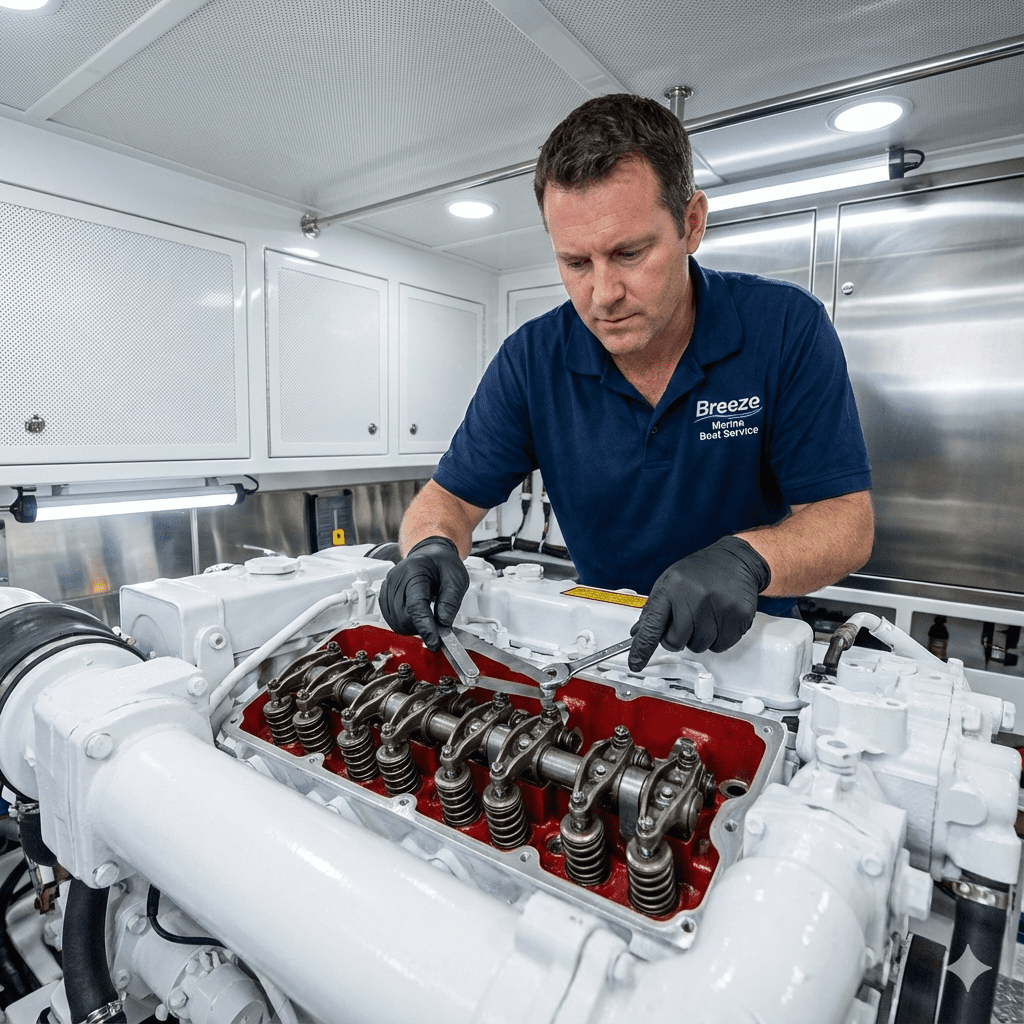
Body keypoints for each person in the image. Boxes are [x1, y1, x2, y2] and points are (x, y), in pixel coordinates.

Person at [380, 93, 873, 672]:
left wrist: (748, 558)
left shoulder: (785, 326)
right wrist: (432, 545)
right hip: (599, 647)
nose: (603, 294)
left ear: (692, 224)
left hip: (746, 651)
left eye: (629, 253)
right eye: (576, 263)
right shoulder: (532, 359)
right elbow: (449, 499)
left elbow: (847, 518)